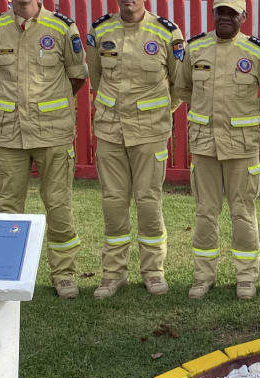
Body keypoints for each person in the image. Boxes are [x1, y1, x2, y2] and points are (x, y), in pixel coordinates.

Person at [174, 0, 260, 300]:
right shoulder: (195, 49)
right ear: (213, 15)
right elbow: (181, 87)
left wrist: (247, 111)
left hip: (242, 147)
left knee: (243, 213)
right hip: (205, 145)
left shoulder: (256, 52)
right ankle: (202, 276)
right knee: (205, 213)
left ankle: (246, 278)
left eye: (231, 13)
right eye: (220, 12)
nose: (225, 17)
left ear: (243, 17)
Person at [0, 0, 88, 299]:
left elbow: (77, 74)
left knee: (58, 205)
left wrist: (47, 106)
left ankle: (64, 275)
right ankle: (6, 275)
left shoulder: (62, 28)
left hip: (52, 132)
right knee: (8, 208)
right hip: (8, 134)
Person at [87, 0, 184, 299]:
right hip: (110, 130)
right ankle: (113, 274)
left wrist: (158, 113)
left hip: (150, 132)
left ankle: (153, 271)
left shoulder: (167, 33)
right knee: (113, 202)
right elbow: (96, 76)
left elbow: (179, 85)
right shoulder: (101, 30)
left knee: (148, 201)